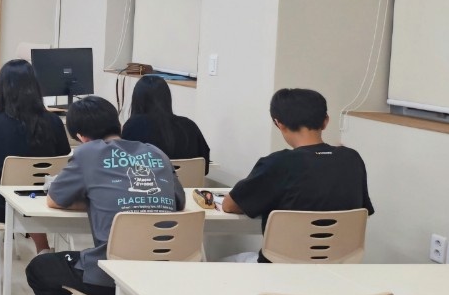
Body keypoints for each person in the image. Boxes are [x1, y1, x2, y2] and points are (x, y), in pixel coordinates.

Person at [24, 96, 185, 295]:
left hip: (110, 278)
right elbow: (178, 201)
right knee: (137, 260)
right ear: (117, 124)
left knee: (40, 269)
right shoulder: (156, 153)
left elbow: (54, 199)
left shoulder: (88, 154)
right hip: (162, 277)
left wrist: (94, 200)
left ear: (80, 136)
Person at [223, 89, 374, 254]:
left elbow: (230, 206)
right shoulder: (352, 159)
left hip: (280, 264)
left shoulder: (277, 163)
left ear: (279, 123)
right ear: (325, 121)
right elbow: (362, 212)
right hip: (340, 263)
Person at [0, 59, 70, 250]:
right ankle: (43, 250)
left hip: (5, 204)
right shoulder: (54, 121)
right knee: (29, 195)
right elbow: (63, 156)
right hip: (46, 201)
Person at [121, 76, 210, 171]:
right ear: (167, 98)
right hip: (188, 180)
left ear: (136, 99)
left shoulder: (132, 127)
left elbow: (122, 166)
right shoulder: (189, 126)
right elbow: (204, 167)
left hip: (148, 180)